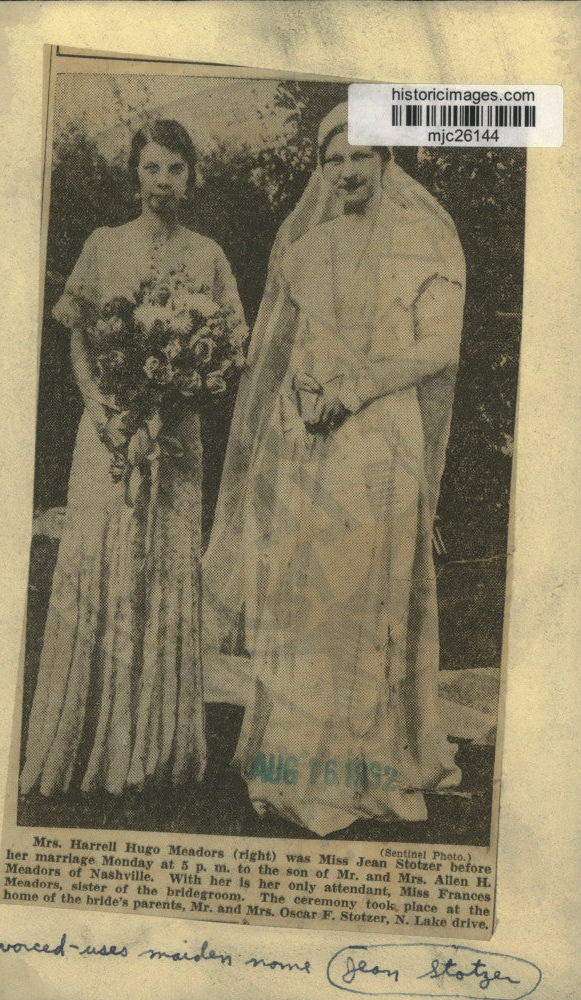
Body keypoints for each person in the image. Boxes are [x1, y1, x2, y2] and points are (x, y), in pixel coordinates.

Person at [203, 102, 465, 836]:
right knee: (306, 596)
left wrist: (355, 389)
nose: (346, 171)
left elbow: (438, 349)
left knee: (365, 596)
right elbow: (295, 352)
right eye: (333, 160)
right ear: (320, 170)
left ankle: (365, 766)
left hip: (382, 437)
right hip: (312, 439)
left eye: (359, 157)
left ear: (386, 161)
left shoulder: (421, 239)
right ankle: (296, 762)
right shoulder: (307, 249)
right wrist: (304, 398)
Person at [20, 120, 247, 797]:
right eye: (151, 168)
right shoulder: (104, 244)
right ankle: (90, 741)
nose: (163, 182)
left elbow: (232, 344)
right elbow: (78, 339)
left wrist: (180, 394)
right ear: (135, 175)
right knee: (104, 560)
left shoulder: (208, 256)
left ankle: (157, 749)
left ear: (192, 177)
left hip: (174, 440)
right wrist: (103, 412)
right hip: (109, 435)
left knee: (164, 567)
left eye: (175, 169)